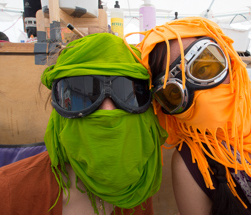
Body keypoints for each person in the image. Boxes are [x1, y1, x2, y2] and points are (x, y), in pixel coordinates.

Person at [124, 17, 251, 215]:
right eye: (174, 93)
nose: (202, 96)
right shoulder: (191, 164)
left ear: (229, 56)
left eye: (205, 67)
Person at [0, 33, 168, 215]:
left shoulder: (137, 186)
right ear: (58, 107)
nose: (108, 110)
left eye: (128, 93)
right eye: (85, 95)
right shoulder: (8, 192)